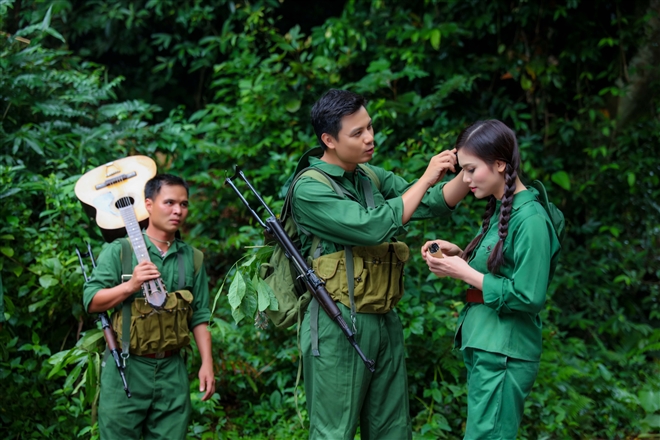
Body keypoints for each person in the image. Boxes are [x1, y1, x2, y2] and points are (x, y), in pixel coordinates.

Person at [290, 88, 470, 439]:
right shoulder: (309, 189)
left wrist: (470, 167)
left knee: (392, 430)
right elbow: (371, 227)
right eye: (357, 133)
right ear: (328, 139)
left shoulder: (368, 176)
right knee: (333, 432)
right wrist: (426, 177)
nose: (370, 138)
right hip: (336, 322)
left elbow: (428, 202)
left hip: (383, 319)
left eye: (370, 126)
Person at [421, 120, 561, 439]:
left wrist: (465, 272)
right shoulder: (503, 210)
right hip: (488, 342)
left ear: (500, 164)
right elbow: (502, 267)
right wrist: (459, 255)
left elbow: (529, 295)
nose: (465, 179)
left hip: (505, 348)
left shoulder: (531, 219)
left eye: (471, 169)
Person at [83, 173, 215, 439]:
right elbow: (91, 301)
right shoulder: (120, 251)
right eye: (169, 202)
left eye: (184, 204)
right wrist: (130, 286)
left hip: (172, 370)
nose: (178, 210)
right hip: (129, 366)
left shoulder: (193, 258)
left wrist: (207, 363)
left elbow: (199, 316)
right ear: (148, 205)